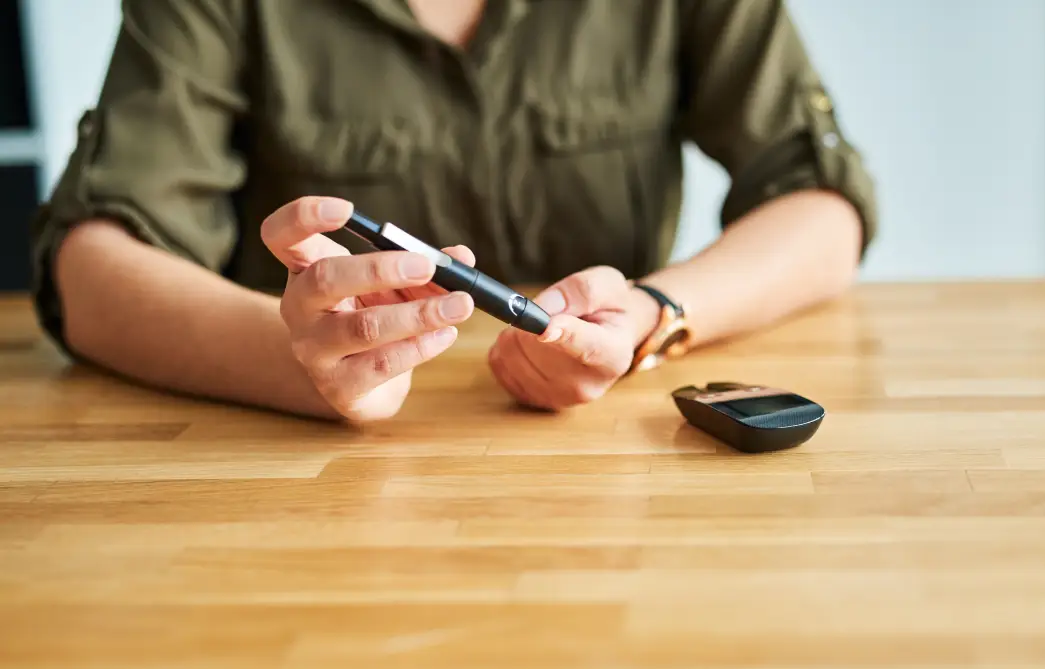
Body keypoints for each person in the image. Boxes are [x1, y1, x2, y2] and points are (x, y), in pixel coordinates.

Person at [30, 0, 877, 422]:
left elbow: (820, 206)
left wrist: (653, 318)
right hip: (302, 502)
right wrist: (306, 363)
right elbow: (89, 267)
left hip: (606, 495)